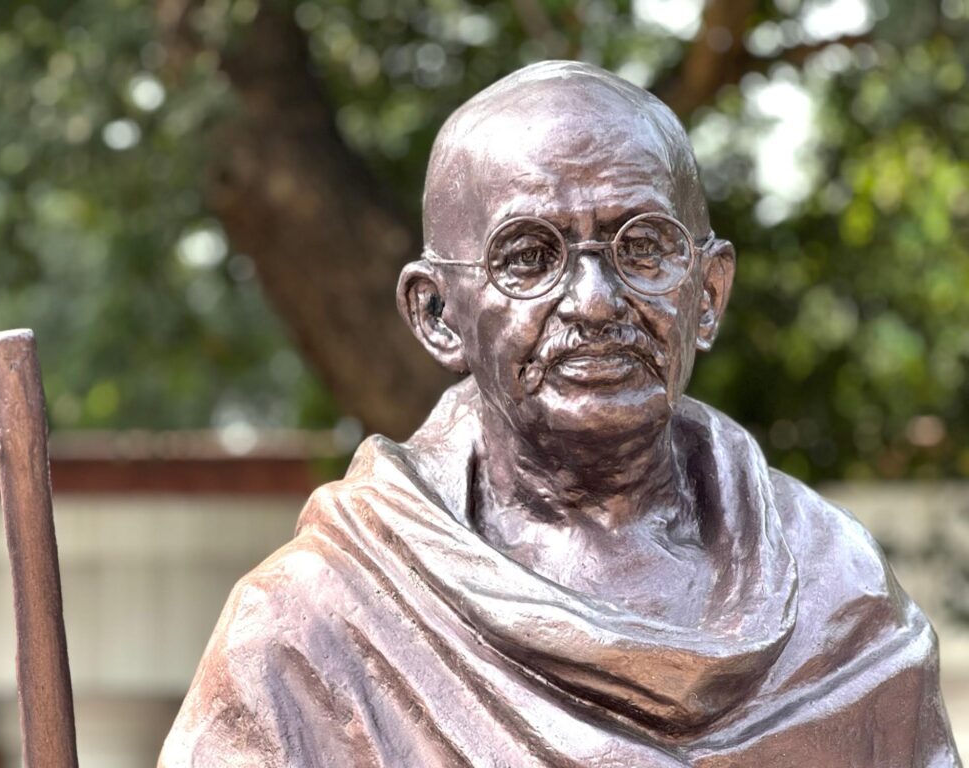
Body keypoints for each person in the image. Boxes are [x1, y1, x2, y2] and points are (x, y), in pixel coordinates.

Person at [159, 61, 960, 767]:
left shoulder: (839, 595)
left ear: (709, 294)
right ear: (437, 315)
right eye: (529, 257)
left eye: (642, 248)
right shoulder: (312, 626)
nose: (596, 302)